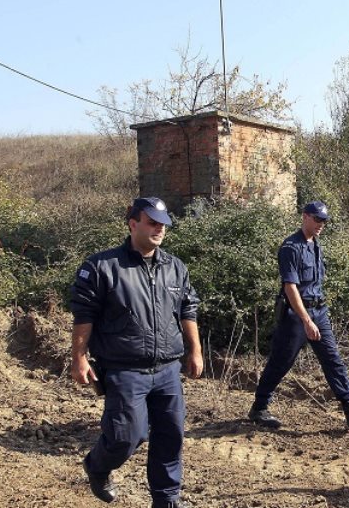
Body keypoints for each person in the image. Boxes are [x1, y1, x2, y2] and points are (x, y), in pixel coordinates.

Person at [69, 197, 203, 508]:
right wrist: (78, 358)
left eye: (163, 224)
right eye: (152, 223)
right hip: (124, 369)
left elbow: (188, 309)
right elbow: (84, 314)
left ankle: (167, 500)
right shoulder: (102, 266)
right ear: (133, 224)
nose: (159, 229)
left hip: (167, 369)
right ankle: (97, 466)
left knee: (171, 436)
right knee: (126, 436)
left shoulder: (175, 267)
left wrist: (195, 350)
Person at [249, 201, 349, 429]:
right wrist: (306, 320)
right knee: (281, 362)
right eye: (317, 219)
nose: (321, 224)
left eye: (324, 221)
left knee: (332, 359)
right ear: (305, 217)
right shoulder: (291, 247)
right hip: (296, 315)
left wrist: (316, 316)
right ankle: (259, 407)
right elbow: (290, 287)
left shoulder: (315, 244)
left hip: (319, 311)